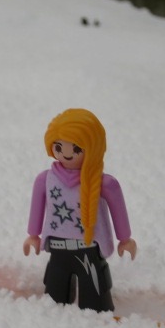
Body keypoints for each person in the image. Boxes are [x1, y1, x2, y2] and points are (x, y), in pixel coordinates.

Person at [23, 108, 137, 312]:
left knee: (95, 302)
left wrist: (125, 239)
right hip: (57, 248)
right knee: (54, 299)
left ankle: (96, 314)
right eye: (59, 146)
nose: (67, 154)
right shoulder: (46, 179)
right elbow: (37, 207)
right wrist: (33, 235)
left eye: (76, 148)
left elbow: (117, 208)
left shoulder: (102, 182)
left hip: (89, 249)